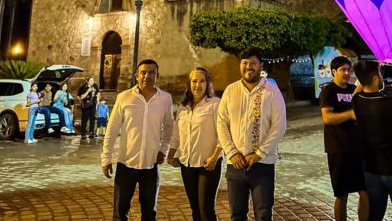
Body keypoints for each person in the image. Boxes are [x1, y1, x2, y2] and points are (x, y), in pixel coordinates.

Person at [217, 47, 286, 221]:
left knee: (263, 214)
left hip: (262, 164)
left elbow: (279, 126)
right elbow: (221, 123)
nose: (249, 67)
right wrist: (232, 153)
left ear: (260, 65)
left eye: (253, 63)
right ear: (240, 65)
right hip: (236, 165)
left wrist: (259, 153)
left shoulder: (272, 91)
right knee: (237, 214)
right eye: (245, 63)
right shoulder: (230, 91)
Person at [101, 59, 174, 221]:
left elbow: (169, 126)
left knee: (149, 213)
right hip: (126, 163)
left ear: (157, 75)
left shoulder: (165, 99)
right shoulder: (124, 98)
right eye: (143, 72)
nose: (147, 76)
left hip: (150, 164)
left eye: (151, 72)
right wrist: (106, 158)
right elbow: (112, 129)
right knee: (120, 213)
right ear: (136, 76)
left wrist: (164, 149)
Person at [352, 60, 392, 221]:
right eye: (379, 74)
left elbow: (358, 89)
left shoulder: (357, 101)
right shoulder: (390, 104)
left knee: (374, 216)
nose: (382, 78)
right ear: (374, 78)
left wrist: (362, 75)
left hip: (371, 170)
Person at [167, 67, 223, 221]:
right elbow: (176, 134)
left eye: (202, 81)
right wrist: (171, 154)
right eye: (194, 81)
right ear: (189, 84)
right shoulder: (183, 107)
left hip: (208, 164)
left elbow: (223, 134)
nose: (198, 85)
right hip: (187, 164)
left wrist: (214, 157)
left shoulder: (215, 104)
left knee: (206, 209)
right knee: (195, 209)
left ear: (207, 84)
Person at [319, 56, 368, 221]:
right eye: (343, 70)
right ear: (334, 72)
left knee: (365, 190)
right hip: (338, 148)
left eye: (349, 70)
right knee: (342, 194)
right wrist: (350, 114)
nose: (347, 73)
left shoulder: (353, 90)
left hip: (358, 147)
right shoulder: (328, 91)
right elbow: (327, 118)